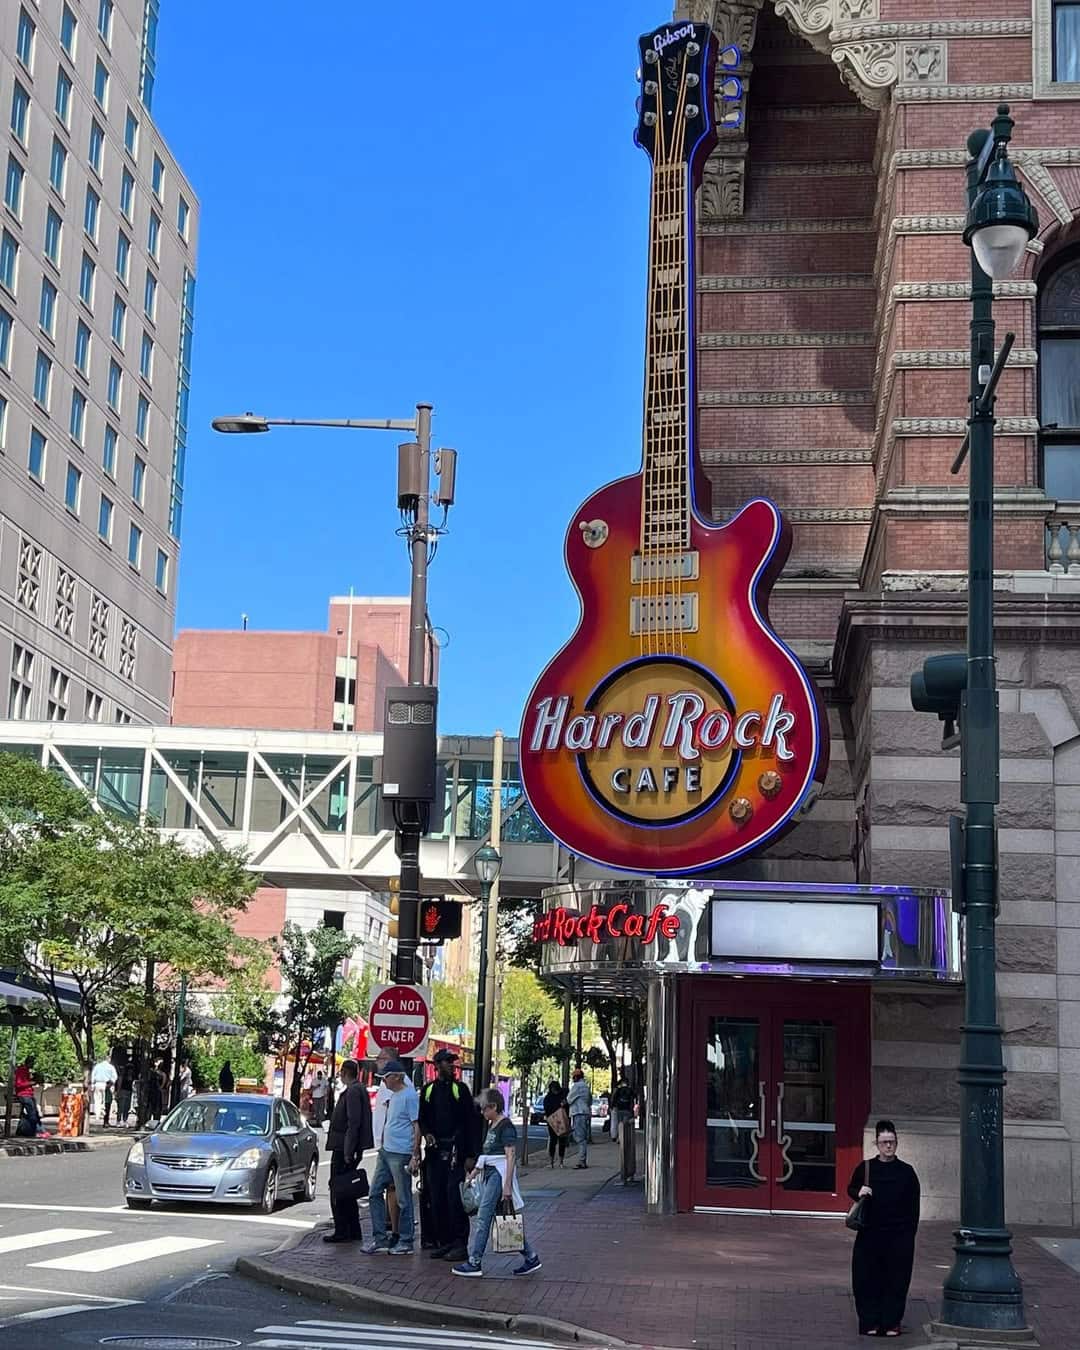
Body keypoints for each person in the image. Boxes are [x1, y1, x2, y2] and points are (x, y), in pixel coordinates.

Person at [453, 1088, 541, 1278]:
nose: (483, 1113)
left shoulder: (505, 1126)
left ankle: (475, 1261)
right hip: (492, 1174)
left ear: (494, 1106)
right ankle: (530, 1256)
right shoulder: (494, 1125)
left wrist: (507, 1185)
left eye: (485, 1109)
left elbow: (510, 1156)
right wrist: (476, 1171)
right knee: (504, 1219)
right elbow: (489, 1154)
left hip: (498, 1176)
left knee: (484, 1216)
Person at [847, 1119, 920, 1338]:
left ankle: (891, 1323)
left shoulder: (907, 1172)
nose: (888, 1146)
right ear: (876, 1144)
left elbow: (913, 1207)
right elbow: (851, 1188)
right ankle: (869, 1321)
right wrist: (860, 1192)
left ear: (897, 1143)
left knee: (896, 1279)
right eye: (884, 1142)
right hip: (870, 1234)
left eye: (892, 1142)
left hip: (898, 1236)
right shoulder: (866, 1168)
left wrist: (909, 1235)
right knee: (866, 1278)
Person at [419, 1048, 481, 1261]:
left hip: (456, 1153)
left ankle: (459, 1244)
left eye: (451, 1062)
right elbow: (423, 1119)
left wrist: (472, 1155)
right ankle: (444, 1242)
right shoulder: (428, 1091)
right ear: (437, 1066)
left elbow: (472, 1123)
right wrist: (427, 1134)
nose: (451, 1065)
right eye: (446, 1062)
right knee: (437, 1199)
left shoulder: (460, 1090)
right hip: (435, 1154)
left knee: (454, 1198)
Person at [363, 1060, 420, 1256]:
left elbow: (416, 1125)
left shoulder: (409, 1096)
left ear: (396, 1076)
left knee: (403, 1198)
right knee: (375, 1192)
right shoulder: (394, 1095)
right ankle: (381, 1238)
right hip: (387, 1151)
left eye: (386, 1077)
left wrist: (415, 1154)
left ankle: (405, 1240)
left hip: (400, 1152)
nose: (384, 1081)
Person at [323, 1059, 374, 1244]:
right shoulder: (357, 1090)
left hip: (344, 1147)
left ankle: (343, 1230)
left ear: (345, 1072)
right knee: (348, 1189)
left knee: (339, 1189)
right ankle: (352, 1229)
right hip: (346, 1146)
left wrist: (348, 1150)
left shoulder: (353, 1091)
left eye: (341, 1072)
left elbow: (354, 1122)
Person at [371, 1049, 401, 1243]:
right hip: (385, 1145)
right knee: (389, 1189)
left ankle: (394, 1233)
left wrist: (384, 1141)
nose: (377, 1061)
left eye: (380, 1058)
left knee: (391, 1189)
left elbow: (392, 1114)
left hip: (389, 1146)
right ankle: (390, 1230)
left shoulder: (391, 1086)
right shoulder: (385, 1084)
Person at [567, 1068, 591, 1169]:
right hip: (585, 1112)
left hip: (578, 1113)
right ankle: (582, 1159)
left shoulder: (576, 1086)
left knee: (580, 1138)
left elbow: (569, 1099)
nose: (573, 1078)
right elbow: (590, 1100)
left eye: (574, 1077)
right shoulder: (586, 1086)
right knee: (583, 1137)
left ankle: (582, 1161)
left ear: (576, 1077)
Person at [542, 1079, 569, 1168]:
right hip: (554, 1120)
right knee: (554, 1141)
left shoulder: (559, 1095)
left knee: (560, 1141)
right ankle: (553, 1161)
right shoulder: (549, 1097)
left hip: (557, 1120)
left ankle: (559, 1161)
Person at [91, 1055, 118, 1124]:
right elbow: (114, 1077)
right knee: (106, 1101)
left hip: (98, 1084)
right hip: (106, 1084)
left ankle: (97, 1115)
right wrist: (111, 1084)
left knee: (97, 1100)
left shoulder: (97, 1066)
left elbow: (93, 1076)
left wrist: (92, 1084)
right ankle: (105, 1114)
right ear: (109, 1059)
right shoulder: (111, 1067)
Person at [610, 1073, 634, 1145]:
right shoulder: (630, 1090)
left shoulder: (618, 1090)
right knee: (626, 1124)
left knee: (620, 1124)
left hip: (619, 1108)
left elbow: (614, 1099)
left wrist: (612, 1106)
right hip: (627, 1109)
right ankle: (624, 1137)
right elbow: (633, 1097)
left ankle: (619, 1138)